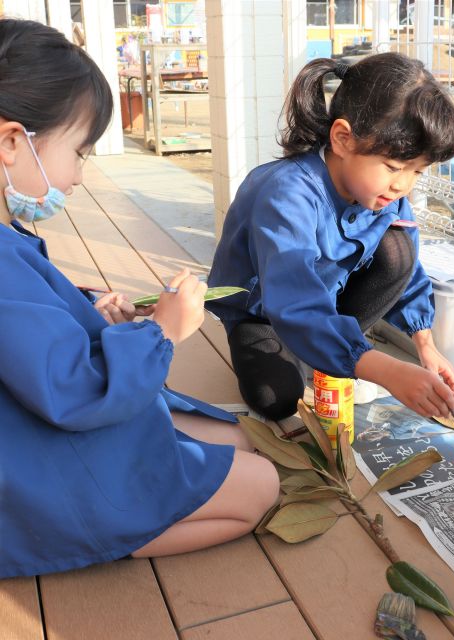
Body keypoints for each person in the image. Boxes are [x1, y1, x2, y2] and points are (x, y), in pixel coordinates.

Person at [0, 18, 279, 579]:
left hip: (30, 432)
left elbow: (30, 334)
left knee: (242, 439)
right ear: (12, 141)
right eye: (80, 151)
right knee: (264, 487)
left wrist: (92, 312)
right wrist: (163, 332)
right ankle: (90, 532)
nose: (79, 175)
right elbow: (73, 390)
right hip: (32, 463)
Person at [207, 52, 454, 421]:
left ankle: (340, 353)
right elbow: (294, 301)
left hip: (326, 304)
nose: (403, 184)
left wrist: (426, 345)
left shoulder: (382, 193)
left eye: (417, 172)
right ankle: (342, 354)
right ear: (343, 138)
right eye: (394, 167)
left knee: (398, 251)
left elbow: (409, 274)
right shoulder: (286, 194)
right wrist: (389, 371)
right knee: (276, 399)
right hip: (265, 313)